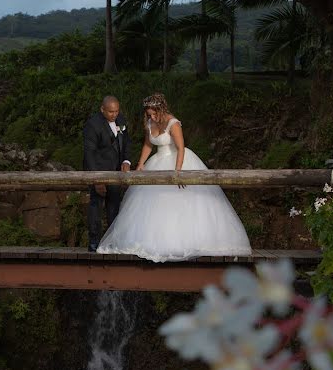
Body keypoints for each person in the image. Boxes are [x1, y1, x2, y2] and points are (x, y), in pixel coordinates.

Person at [96, 93, 252, 261]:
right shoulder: (150, 122)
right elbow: (148, 144)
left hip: (178, 160)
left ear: (161, 109)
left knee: (180, 202)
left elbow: (181, 147)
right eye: (149, 114)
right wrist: (141, 163)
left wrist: (177, 171)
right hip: (156, 162)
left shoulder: (173, 123)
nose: (152, 116)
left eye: (154, 113)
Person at [83, 95, 132, 252]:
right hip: (98, 171)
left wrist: (126, 161)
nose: (114, 114)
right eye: (111, 112)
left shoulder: (121, 120)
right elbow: (89, 153)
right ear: (102, 109)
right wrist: (97, 179)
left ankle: (113, 241)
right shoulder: (92, 125)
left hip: (117, 172)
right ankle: (94, 242)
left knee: (114, 207)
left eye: (117, 111)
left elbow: (127, 143)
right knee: (96, 207)